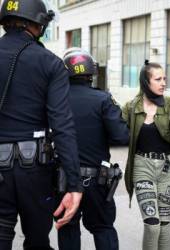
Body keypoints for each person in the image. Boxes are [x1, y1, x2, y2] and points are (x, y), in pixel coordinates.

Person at [0, 1, 83, 250]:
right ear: (39, 23)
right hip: (34, 171)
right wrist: (74, 185)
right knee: (37, 241)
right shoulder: (50, 63)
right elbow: (62, 126)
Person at [122, 60, 170, 250]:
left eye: (164, 78)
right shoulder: (131, 108)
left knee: (164, 225)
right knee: (152, 224)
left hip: (169, 169)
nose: (163, 82)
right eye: (158, 79)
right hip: (142, 167)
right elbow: (114, 131)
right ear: (145, 82)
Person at [57, 48, 129, 250]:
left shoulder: (56, 100)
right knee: (103, 228)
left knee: (68, 228)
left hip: (64, 180)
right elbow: (121, 136)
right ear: (91, 73)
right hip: (97, 180)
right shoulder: (103, 99)